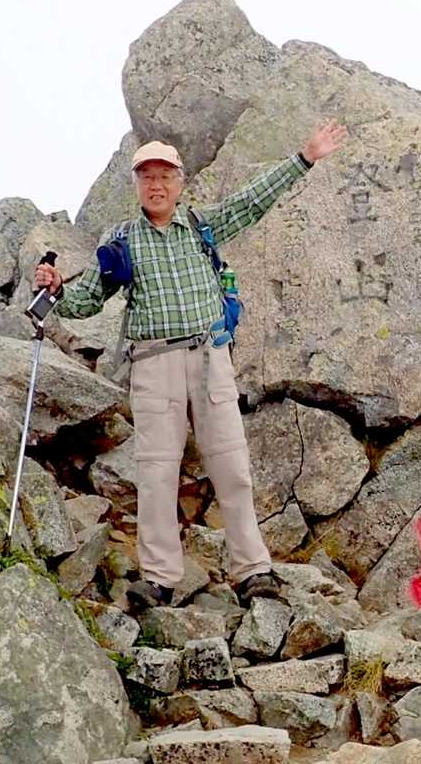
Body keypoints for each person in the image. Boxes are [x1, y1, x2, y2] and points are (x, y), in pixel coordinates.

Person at [34, 123, 348, 612]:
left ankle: (253, 570)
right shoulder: (121, 241)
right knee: (156, 474)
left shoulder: (202, 226)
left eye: (165, 176)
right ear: (136, 184)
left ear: (180, 182)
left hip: (208, 359)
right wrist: (56, 290)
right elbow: (87, 300)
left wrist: (304, 158)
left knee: (232, 467)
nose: (156, 185)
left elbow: (251, 202)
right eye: (146, 177)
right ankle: (159, 579)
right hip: (153, 364)